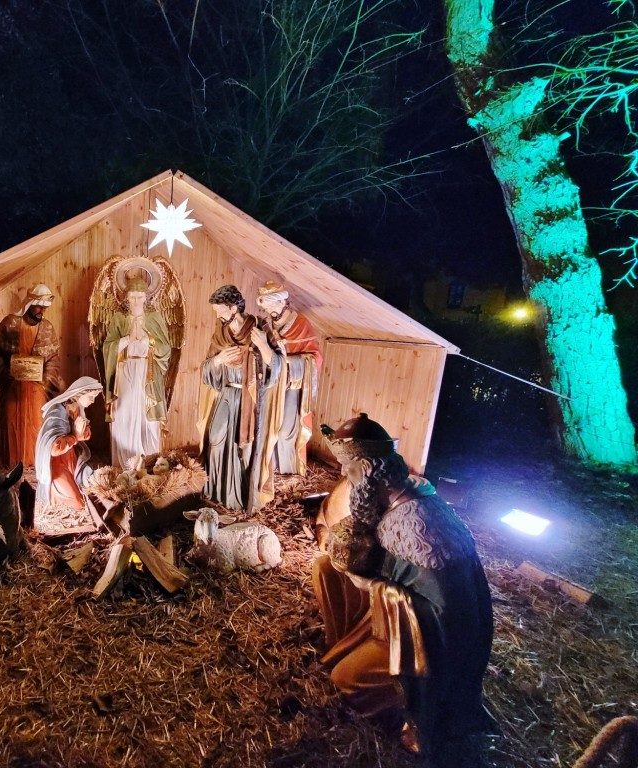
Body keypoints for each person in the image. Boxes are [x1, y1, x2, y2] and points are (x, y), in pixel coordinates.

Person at [312, 413, 494, 762]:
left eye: (346, 468)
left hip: (430, 648)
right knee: (325, 569)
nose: (341, 475)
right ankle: (347, 641)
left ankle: (408, 715)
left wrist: (369, 585)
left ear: (366, 470)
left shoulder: (415, 525)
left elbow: (438, 613)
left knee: (346, 680)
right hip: (400, 615)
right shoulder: (396, 497)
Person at [198, 284, 283, 511]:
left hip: (249, 399)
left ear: (234, 307)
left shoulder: (259, 328)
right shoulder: (221, 332)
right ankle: (215, 490)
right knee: (215, 440)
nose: (217, 314)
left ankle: (236, 497)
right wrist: (219, 360)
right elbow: (207, 367)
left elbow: (276, 366)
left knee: (242, 448)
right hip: (226, 394)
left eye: (220, 309)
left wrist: (263, 346)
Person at [101, 275, 172, 467]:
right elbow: (107, 347)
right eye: (132, 297)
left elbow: (166, 349)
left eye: (140, 297)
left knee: (147, 418)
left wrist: (149, 341)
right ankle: (124, 464)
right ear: (126, 298)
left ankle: (149, 462)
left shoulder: (155, 318)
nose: (136, 301)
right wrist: (126, 340)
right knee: (124, 414)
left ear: (146, 297)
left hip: (147, 373)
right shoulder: (118, 318)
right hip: (124, 372)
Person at [0, 284, 63, 469]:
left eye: (45, 307)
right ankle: (11, 462)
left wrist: (46, 380)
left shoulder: (47, 327)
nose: (42, 311)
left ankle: (36, 461)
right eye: (39, 306)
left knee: (37, 420)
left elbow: (53, 357)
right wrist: (5, 374)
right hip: (12, 384)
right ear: (29, 304)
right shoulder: (10, 322)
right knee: (9, 418)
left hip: (37, 385)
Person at [256, 280, 322, 476]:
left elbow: (314, 359)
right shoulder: (268, 326)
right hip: (274, 385)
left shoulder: (300, 324)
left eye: (272, 306)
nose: (270, 311)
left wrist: (286, 362)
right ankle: (274, 471)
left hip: (294, 385)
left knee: (287, 432)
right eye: (266, 307)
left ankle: (291, 472)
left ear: (283, 303)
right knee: (271, 430)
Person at [34, 377, 103, 525]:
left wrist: (80, 432)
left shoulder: (74, 408)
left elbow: (85, 434)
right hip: (56, 467)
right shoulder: (57, 411)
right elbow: (54, 448)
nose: (92, 401)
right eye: (91, 396)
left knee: (93, 488)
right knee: (78, 505)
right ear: (79, 393)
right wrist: (75, 436)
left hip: (71, 460)